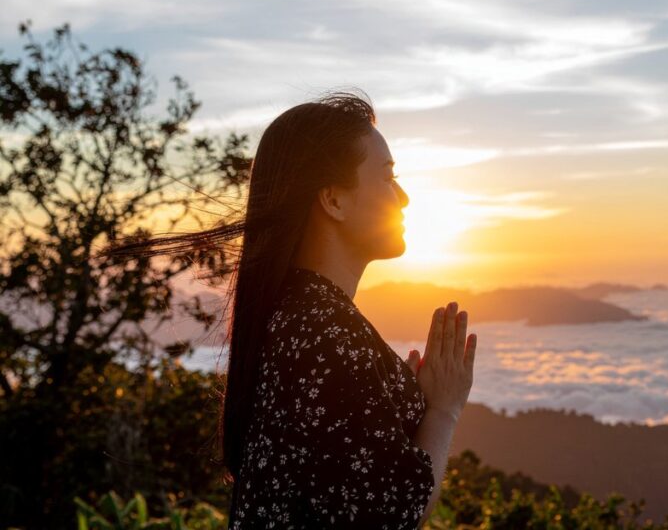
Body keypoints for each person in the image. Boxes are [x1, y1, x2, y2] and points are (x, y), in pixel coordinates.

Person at [101, 90, 476, 528]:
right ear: (333, 200)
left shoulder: (296, 317)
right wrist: (443, 409)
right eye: (388, 176)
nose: (404, 196)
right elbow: (394, 517)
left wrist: (392, 405)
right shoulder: (327, 335)